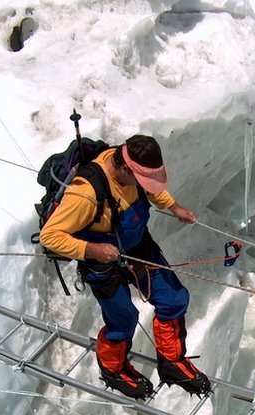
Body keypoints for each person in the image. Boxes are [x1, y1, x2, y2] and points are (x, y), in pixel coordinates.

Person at [39, 135, 211, 399]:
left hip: (136, 245)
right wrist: (94, 249)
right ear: (124, 168)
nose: (144, 184)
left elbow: (151, 189)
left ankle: (171, 363)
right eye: (140, 179)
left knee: (174, 298)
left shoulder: (130, 170)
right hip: (100, 261)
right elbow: (50, 236)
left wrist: (174, 207)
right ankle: (113, 368)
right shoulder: (85, 194)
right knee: (123, 319)